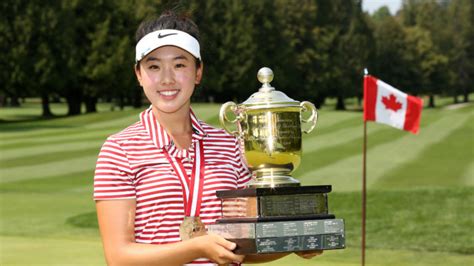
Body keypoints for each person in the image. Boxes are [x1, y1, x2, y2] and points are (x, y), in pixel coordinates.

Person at [94, 10, 321, 265]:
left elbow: (242, 248)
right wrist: (198, 247)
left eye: (179, 65)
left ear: (198, 72)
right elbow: (119, 257)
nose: (167, 78)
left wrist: (296, 242)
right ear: (138, 74)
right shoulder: (119, 150)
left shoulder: (230, 145)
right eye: (154, 66)